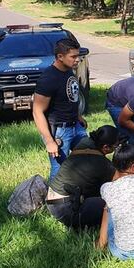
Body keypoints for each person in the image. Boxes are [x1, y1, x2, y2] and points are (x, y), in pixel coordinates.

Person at [33, 38, 88, 180]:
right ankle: (54, 200)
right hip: (59, 131)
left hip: (75, 126)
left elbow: (70, 96)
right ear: (60, 57)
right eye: (73, 56)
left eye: (78, 56)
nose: (77, 60)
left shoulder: (69, 71)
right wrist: (49, 141)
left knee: (88, 157)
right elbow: (37, 111)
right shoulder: (48, 78)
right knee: (59, 170)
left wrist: (78, 116)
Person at [46, 125, 119, 229]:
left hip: (53, 202)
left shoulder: (84, 143)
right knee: (113, 202)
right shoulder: (101, 163)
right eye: (115, 146)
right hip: (65, 209)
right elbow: (118, 182)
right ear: (106, 147)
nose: (116, 148)